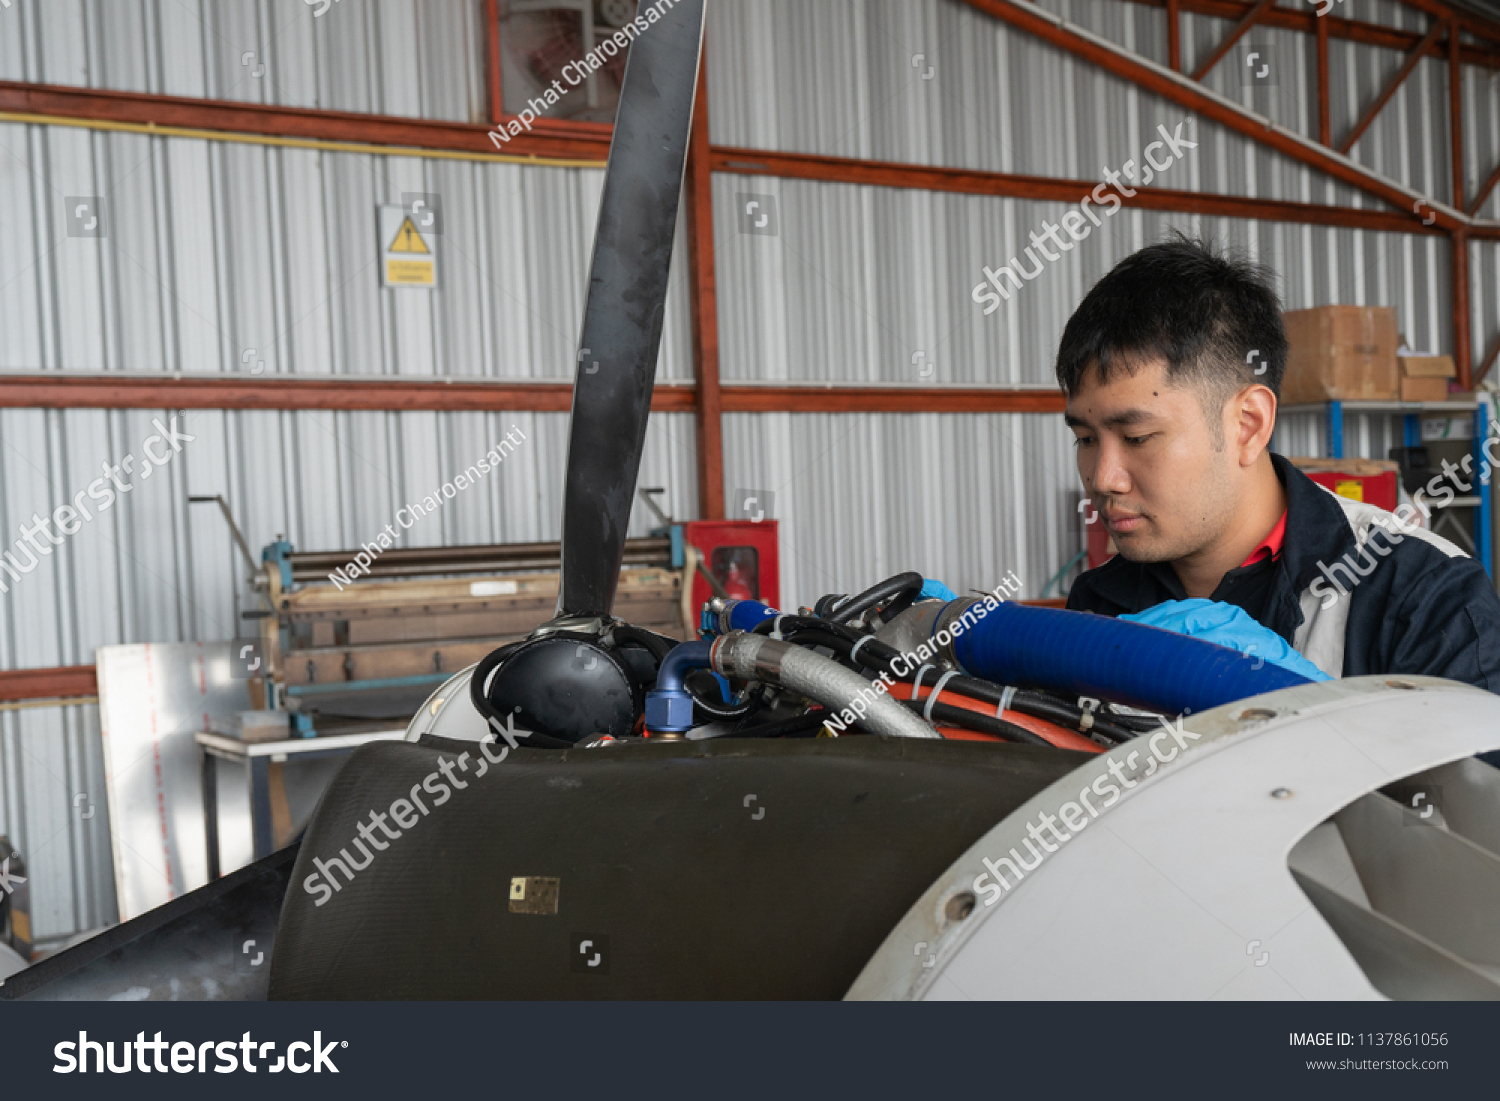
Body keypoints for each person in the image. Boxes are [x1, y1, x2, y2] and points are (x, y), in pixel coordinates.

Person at [1057, 236, 1500, 690]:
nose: (1103, 478)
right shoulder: (1099, 602)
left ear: (1248, 425)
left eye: (1137, 437)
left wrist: (1310, 714)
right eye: (1085, 439)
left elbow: (1471, 763)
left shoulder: (1427, 598)